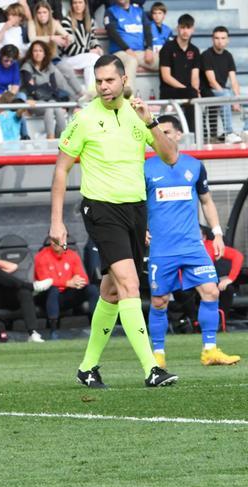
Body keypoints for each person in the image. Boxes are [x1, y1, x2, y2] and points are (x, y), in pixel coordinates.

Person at [50, 55, 180, 389]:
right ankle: (152, 368)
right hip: (101, 209)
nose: (104, 86)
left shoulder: (138, 115)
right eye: (99, 81)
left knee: (111, 291)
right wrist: (57, 222)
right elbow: (61, 169)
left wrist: (150, 122)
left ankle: (88, 367)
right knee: (130, 285)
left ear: (124, 80)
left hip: (135, 211)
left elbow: (170, 156)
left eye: (109, 80)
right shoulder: (84, 119)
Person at [144, 115, 240, 367]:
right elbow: (135, 204)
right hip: (162, 247)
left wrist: (217, 233)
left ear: (177, 135)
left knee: (210, 291)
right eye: (157, 132)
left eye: (165, 132)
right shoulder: (145, 167)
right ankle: (157, 356)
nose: (160, 136)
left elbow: (206, 201)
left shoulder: (195, 166)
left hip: (192, 246)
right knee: (159, 301)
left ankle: (209, 350)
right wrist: (139, 228)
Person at [34, 236, 99, 338]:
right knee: (53, 290)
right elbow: (45, 282)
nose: (55, 242)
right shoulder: (41, 256)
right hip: (46, 296)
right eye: (53, 239)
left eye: (59, 239)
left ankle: (97, 327)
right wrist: (67, 282)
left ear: (65, 239)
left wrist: (77, 281)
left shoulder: (72, 254)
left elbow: (84, 279)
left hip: (66, 295)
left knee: (91, 289)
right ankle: (53, 331)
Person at [26, 0, 82, 97]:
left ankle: (81, 93)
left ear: (50, 13)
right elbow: (32, 38)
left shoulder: (54, 23)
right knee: (57, 75)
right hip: (40, 61)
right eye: (39, 13)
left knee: (67, 69)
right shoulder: (32, 23)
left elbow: (69, 36)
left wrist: (67, 38)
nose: (42, 15)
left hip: (53, 58)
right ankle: (73, 98)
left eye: (44, 12)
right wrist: (52, 37)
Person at [201, 26, 244, 143]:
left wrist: (236, 100)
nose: (220, 41)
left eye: (223, 38)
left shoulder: (228, 56)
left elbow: (234, 80)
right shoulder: (206, 55)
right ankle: (229, 132)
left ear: (228, 40)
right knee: (226, 93)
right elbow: (212, 81)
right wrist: (228, 98)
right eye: (217, 38)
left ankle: (245, 130)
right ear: (212, 39)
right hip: (207, 91)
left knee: (240, 96)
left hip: (222, 91)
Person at [20, 40, 71, 138]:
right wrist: (46, 86)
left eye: (40, 51)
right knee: (50, 107)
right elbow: (31, 90)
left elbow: (54, 87)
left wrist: (40, 87)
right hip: (33, 101)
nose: (38, 53)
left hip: (49, 99)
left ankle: (62, 138)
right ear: (31, 53)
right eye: (35, 51)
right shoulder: (27, 67)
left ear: (44, 53)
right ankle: (50, 138)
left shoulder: (49, 66)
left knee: (57, 109)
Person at [158, 14, 199, 132]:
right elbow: (166, 77)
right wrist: (187, 89)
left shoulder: (194, 50)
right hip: (169, 90)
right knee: (191, 93)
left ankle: (198, 135)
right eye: (182, 28)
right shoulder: (167, 48)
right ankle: (190, 134)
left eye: (188, 28)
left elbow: (195, 76)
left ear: (193, 29)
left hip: (187, 90)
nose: (185, 31)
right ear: (177, 29)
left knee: (199, 94)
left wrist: (195, 89)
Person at [105, 0, 155, 86]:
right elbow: (111, 32)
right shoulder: (110, 11)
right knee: (131, 61)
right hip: (120, 52)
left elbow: (148, 31)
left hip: (140, 52)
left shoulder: (139, 11)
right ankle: (127, 96)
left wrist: (149, 48)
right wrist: (126, 48)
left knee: (165, 59)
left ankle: (183, 93)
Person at [60, 0, 101, 92]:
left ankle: (89, 93)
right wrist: (89, 51)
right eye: (75, 3)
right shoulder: (66, 22)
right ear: (71, 5)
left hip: (84, 58)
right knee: (94, 58)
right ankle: (91, 93)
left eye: (80, 2)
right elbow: (69, 49)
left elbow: (93, 38)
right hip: (69, 59)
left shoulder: (90, 21)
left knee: (91, 67)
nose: (77, 5)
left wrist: (97, 47)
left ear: (85, 4)